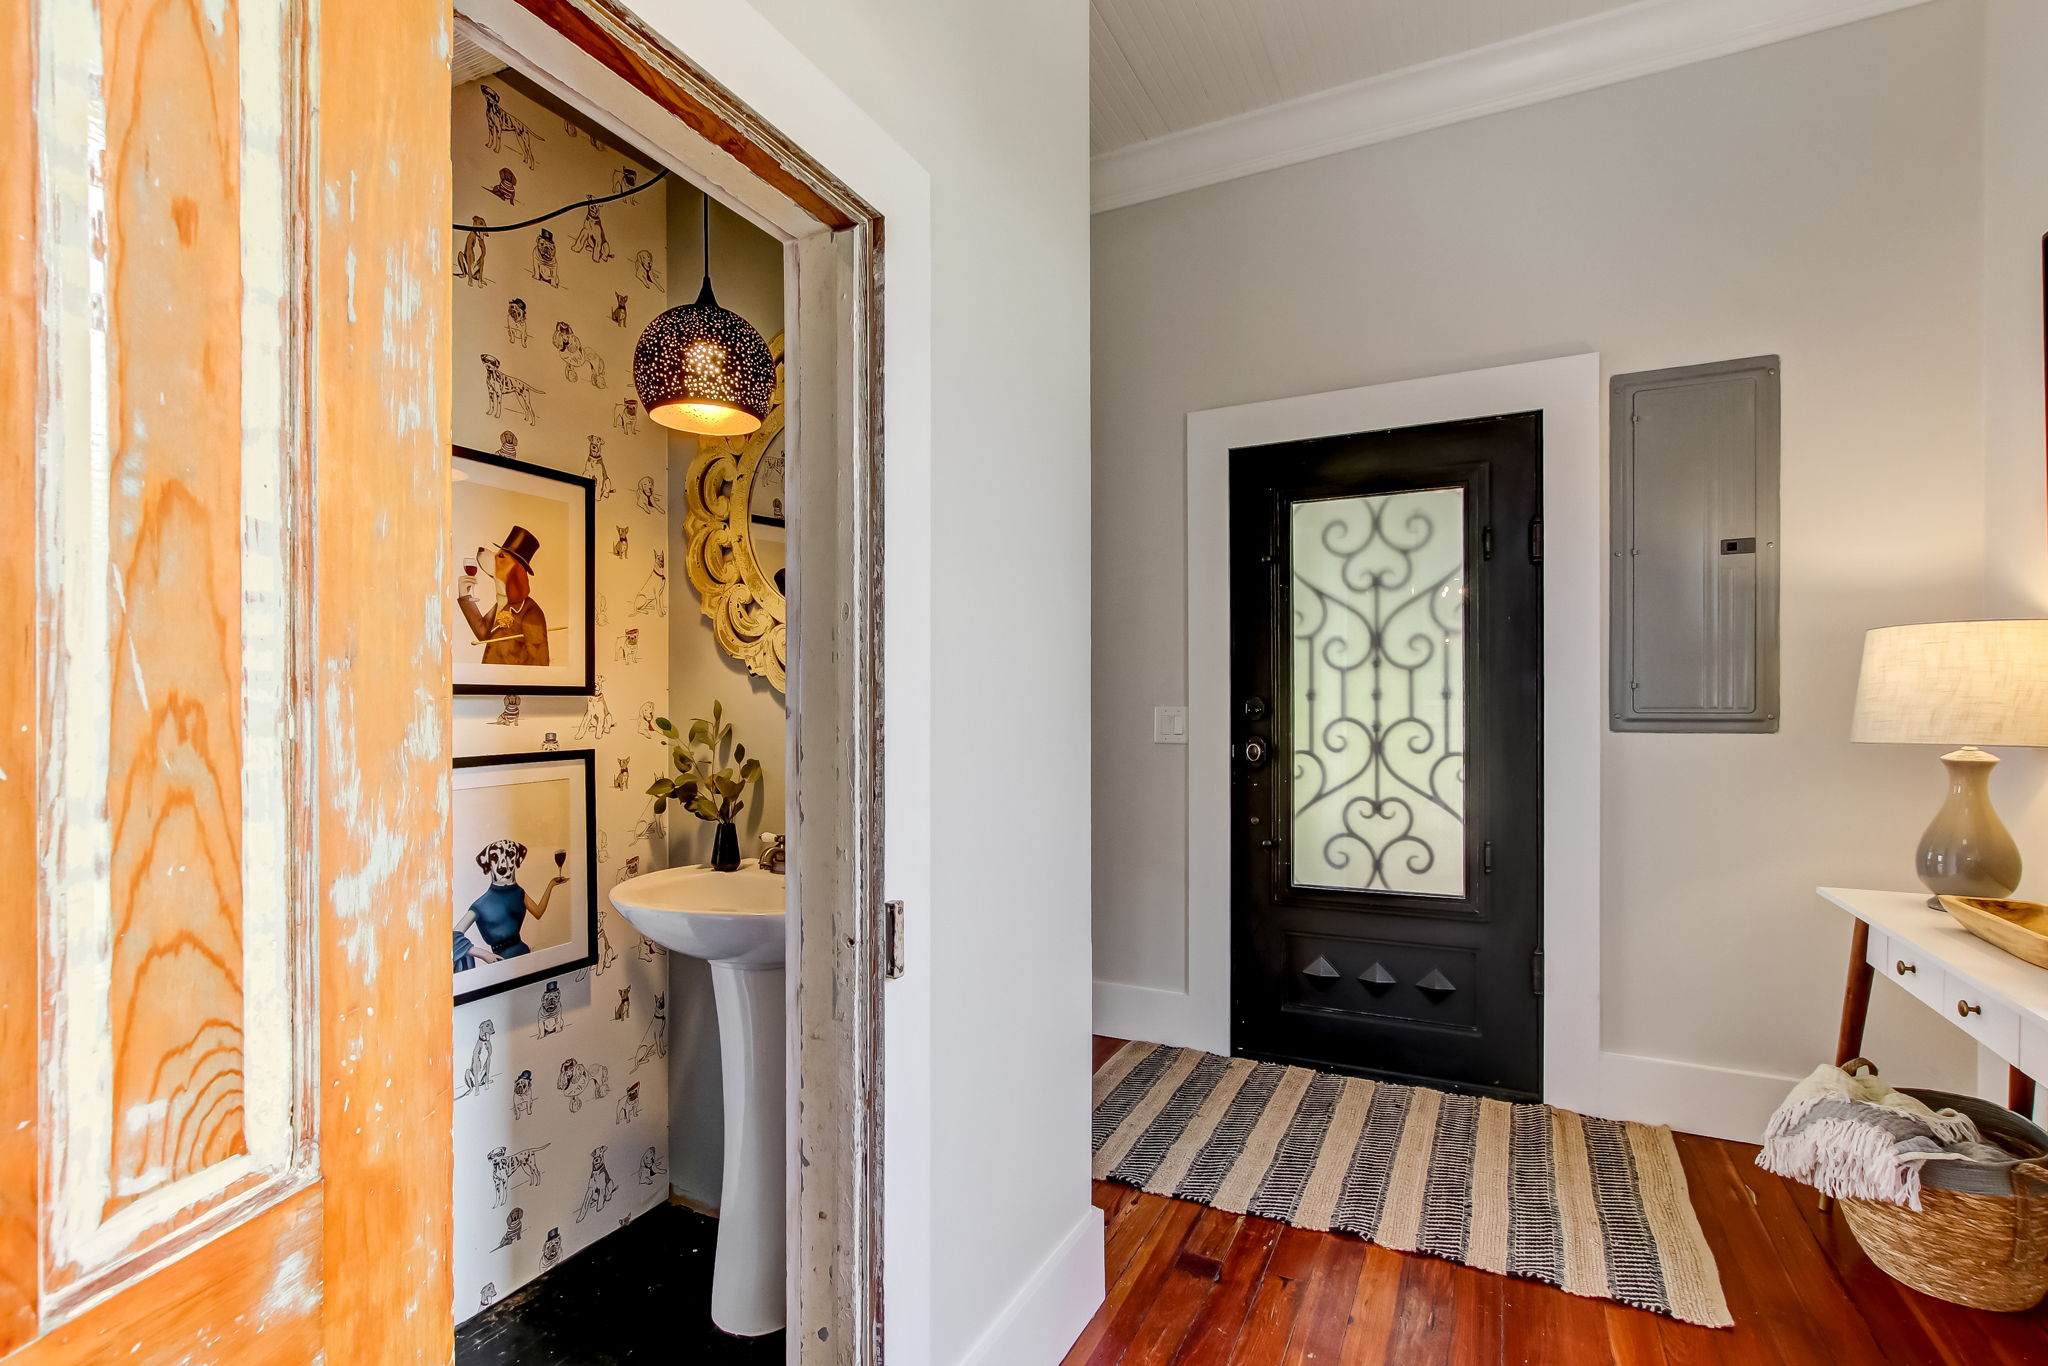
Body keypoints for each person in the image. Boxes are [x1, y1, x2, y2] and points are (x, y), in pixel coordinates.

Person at [460, 527, 549, 665]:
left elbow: (540, 661)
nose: (492, 555)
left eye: (501, 556)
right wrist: (464, 595)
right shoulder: (502, 603)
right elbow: (484, 634)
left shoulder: (531, 613)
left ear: (516, 573)